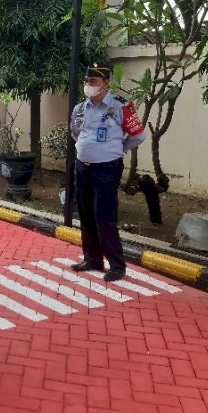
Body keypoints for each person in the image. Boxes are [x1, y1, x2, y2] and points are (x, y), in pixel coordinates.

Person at [70, 62, 146, 282]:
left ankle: (117, 265)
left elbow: (138, 136)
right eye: (86, 81)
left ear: (106, 83)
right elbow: (76, 133)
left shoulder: (122, 107)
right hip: (83, 167)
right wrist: (87, 150)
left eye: (93, 81)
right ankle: (92, 259)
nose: (88, 85)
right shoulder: (80, 108)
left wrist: (116, 150)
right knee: (85, 215)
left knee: (104, 217)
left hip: (107, 169)